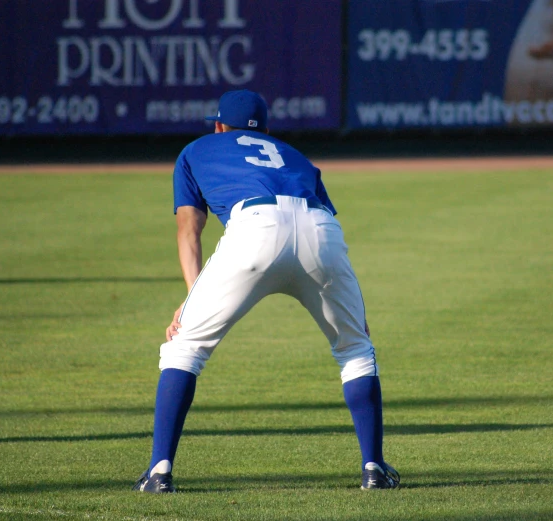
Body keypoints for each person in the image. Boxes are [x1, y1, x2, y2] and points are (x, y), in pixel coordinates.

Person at [132, 89, 399, 493]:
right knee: (355, 348)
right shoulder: (296, 156)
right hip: (319, 230)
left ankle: (159, 472)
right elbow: (324, 222)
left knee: (185, 348)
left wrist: (192, 299)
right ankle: (374, 470)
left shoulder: (196, 149)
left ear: (219, 126)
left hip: (254, 228)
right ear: (267, 130)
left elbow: (189, 229)